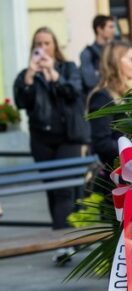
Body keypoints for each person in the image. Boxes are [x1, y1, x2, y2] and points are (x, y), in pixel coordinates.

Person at [13, 27, 90, 255]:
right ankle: (64, 237)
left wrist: (54, 75)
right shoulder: (28, 74)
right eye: (39, 43)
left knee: (65, 190)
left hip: (69, 139)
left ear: (55, 45)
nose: (43, 48)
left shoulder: (68, 68)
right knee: (52, 191)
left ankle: (62, 244)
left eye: (47, 43)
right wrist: (28, 77)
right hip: (41, 140)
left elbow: (75, 92)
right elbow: (20, 102)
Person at [86, 40, 132, 174]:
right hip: (115, 173)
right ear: (116, 62)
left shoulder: (128, 95)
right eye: (130, 60)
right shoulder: (102, 97)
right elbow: (102, 143)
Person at [78, 15, 116, 94]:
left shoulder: (115, 50)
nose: (113, 30)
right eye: (110, 27)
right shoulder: (87, 53)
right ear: (99, 29)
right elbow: (90, 81)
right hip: (100, 99)